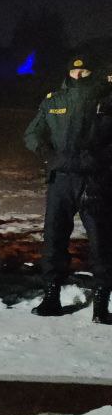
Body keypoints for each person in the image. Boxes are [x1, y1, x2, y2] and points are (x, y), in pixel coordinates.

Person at [25, 53, 109, 317]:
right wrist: (48, 154)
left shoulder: (106, 99)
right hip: (60, 180)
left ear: (92, 73)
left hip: (94, 180)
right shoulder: (55, 100)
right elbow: (32, 133)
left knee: (102, 241)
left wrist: (100, 159)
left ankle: (101, 303)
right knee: (54, 239)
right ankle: (51, 297)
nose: (78, 75)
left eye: (84, 72)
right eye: (74, 71)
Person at [84, 69, 112, 323]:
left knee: (103, 248)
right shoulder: (98, 107)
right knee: (103, 248)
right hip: (101, 186)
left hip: (99, 185)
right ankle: (100, 308)